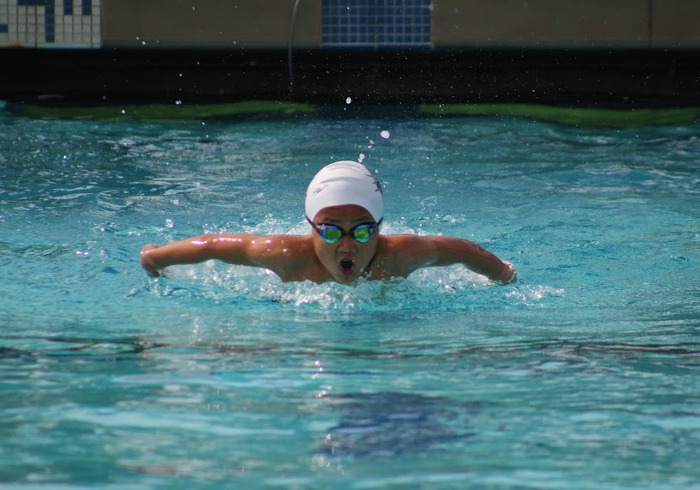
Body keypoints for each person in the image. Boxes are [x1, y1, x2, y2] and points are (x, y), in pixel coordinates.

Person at [140, 160, 517, 285]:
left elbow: (459, 250)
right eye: (332, 230)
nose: (347, 245)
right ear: (311, 227)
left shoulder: (400, 255)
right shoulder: (287, 256)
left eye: (363, 230)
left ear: (379, 228)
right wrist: (155, 258)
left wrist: (502, 273)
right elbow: (214, 245)